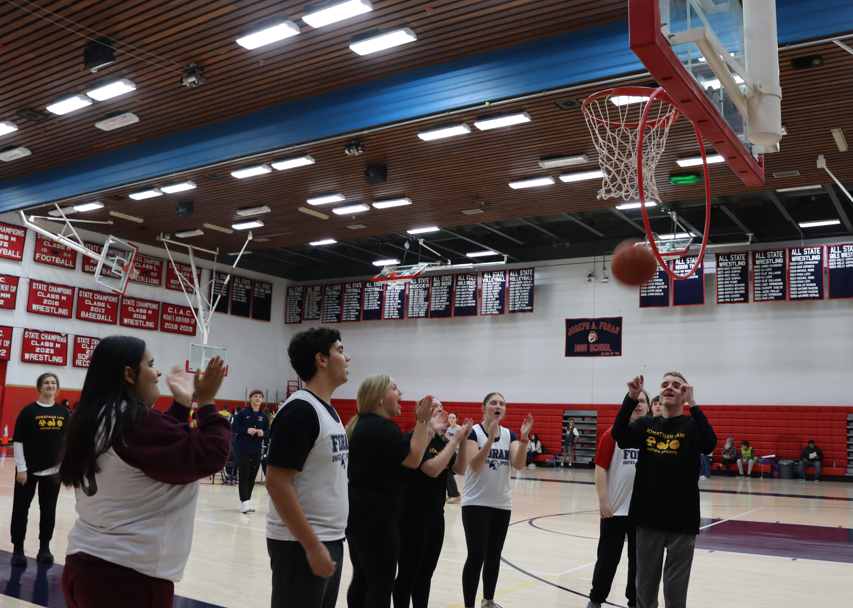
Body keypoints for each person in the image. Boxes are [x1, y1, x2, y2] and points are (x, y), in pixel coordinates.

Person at [58, 336, 229, 608]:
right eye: (151, 364)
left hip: (83, 564)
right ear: (129, 374)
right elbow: (213, 453)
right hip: (126, 578)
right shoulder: (131, 421)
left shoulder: (96, 417)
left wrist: (182, 404)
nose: (158, 372)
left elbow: (154, 453)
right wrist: (206, 401)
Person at [611, 372, 717, 608]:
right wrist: (632, 396)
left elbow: (709, 443)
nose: (669, 387)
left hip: (682, 522)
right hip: (647, 520)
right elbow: (619, 435)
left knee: (675, 592)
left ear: (684, 393)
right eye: (664, 384)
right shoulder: (646, 425)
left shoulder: (691, 425)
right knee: (645, 590)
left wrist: (694, 404)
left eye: (676, 385)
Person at [265, 327, 350, 608]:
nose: (347, 357)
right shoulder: (300, 411)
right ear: (321, 359)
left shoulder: (328, 410)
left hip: (329, 539)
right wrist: (312, 546)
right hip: (299, 544)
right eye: (340, 350)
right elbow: (276, 482)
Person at [345, 377, 435, 608]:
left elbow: (403, 453)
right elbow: (414, 459)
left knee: (364, 579)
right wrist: (423, 423)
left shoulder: (365, 425)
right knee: (381, 583)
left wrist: (423, 428)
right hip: (377, 517)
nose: (401, 392)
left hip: (359, 512)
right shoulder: (381, 426)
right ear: (379, 397)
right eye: (394, 388)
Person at [393, 405, 473, 608]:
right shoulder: (414, 438)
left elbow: (460, 468)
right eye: (434, 408)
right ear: (423, 413)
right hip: (412, 515)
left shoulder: (442, 440)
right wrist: (455, 439)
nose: (440, 410)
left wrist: (462, 441)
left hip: (436, 515)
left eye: (441, 407)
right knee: (408, 573)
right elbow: (432, 469)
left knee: (426, 573)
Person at [461, 392, 533, 608]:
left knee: (494, 555)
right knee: (476, 556)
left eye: (502, 403)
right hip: (475, 503)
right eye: (493, 403)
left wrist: (523, 438)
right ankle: (469, 605)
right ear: (484, 408)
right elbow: (473, 464)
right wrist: (490, 439)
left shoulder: (510, 434)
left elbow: (518, 464)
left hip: (502, 504)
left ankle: (488, 601)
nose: (498, 406)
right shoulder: (473, 433)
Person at [587, 394, 649, 608]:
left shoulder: (652, 437)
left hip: (641, 514)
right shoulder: (611, 434)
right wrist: (603, 500)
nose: (638, 404)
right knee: (607, 560)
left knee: (638, 564)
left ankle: (634, 602)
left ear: (649, 408)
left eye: (643, 401)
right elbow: (600, 467)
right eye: (635, 400)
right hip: (614, 511)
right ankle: (596, 600)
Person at [10, 372, 69, 566]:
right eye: (46, 383)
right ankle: (18, 549)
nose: (50, 386)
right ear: (39, 387)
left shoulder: (63, 412)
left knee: (49, 510)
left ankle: (45, 548)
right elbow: (18, 441)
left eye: (53, 383)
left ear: (57, 387)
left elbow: (67, 442)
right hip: (28, 471)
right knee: (21, 509)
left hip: (53, 471)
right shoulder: (29, 412)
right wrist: (21, 468)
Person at [234, 389, 271, 513]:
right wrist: (246, 430)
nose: (258, 398)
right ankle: (244, 501)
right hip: (243, 448)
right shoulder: (243, 413)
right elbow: (233, 427)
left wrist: (263, 433)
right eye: (255, 396)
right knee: (244, 474)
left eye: (260, 396)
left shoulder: (264, 416)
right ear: (250, 398)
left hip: (256, 449)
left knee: (252, 475)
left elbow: (268, 431)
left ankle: (247, 500)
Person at [445, 412, 462, 503]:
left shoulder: (458, 429)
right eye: (450, 417)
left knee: (448, 473)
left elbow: (460, 441)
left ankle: (455, 495)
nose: (451, 419)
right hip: (450, 453)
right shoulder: (448, 429)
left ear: (456, 419)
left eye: (453, 417)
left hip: (456, 453)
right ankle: (451, 494)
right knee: (446, 472)